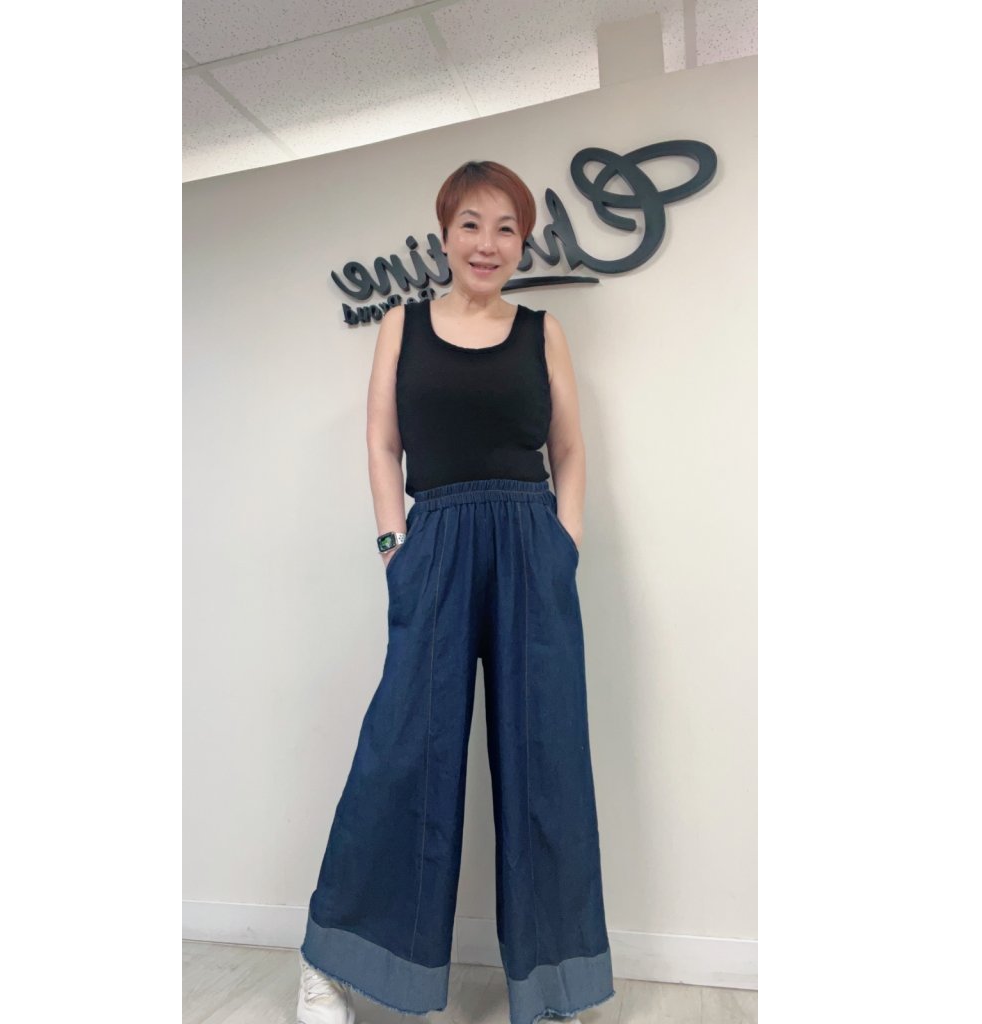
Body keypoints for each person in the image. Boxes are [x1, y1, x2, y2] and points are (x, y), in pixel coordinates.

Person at [297, 161, 615, 1024]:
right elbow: (381, 440)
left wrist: (564, 542)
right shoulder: (401, 325)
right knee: (403, 754)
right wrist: (393, 545)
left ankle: (549, 990)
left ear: (523, 242)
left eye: (507, 227)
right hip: (434, 542)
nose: (488, 242)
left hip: (529, 544)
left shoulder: (543, 330)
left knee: (544, 762)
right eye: (472, 223)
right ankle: (332, 963)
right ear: (444, 235)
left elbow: (569, 449)